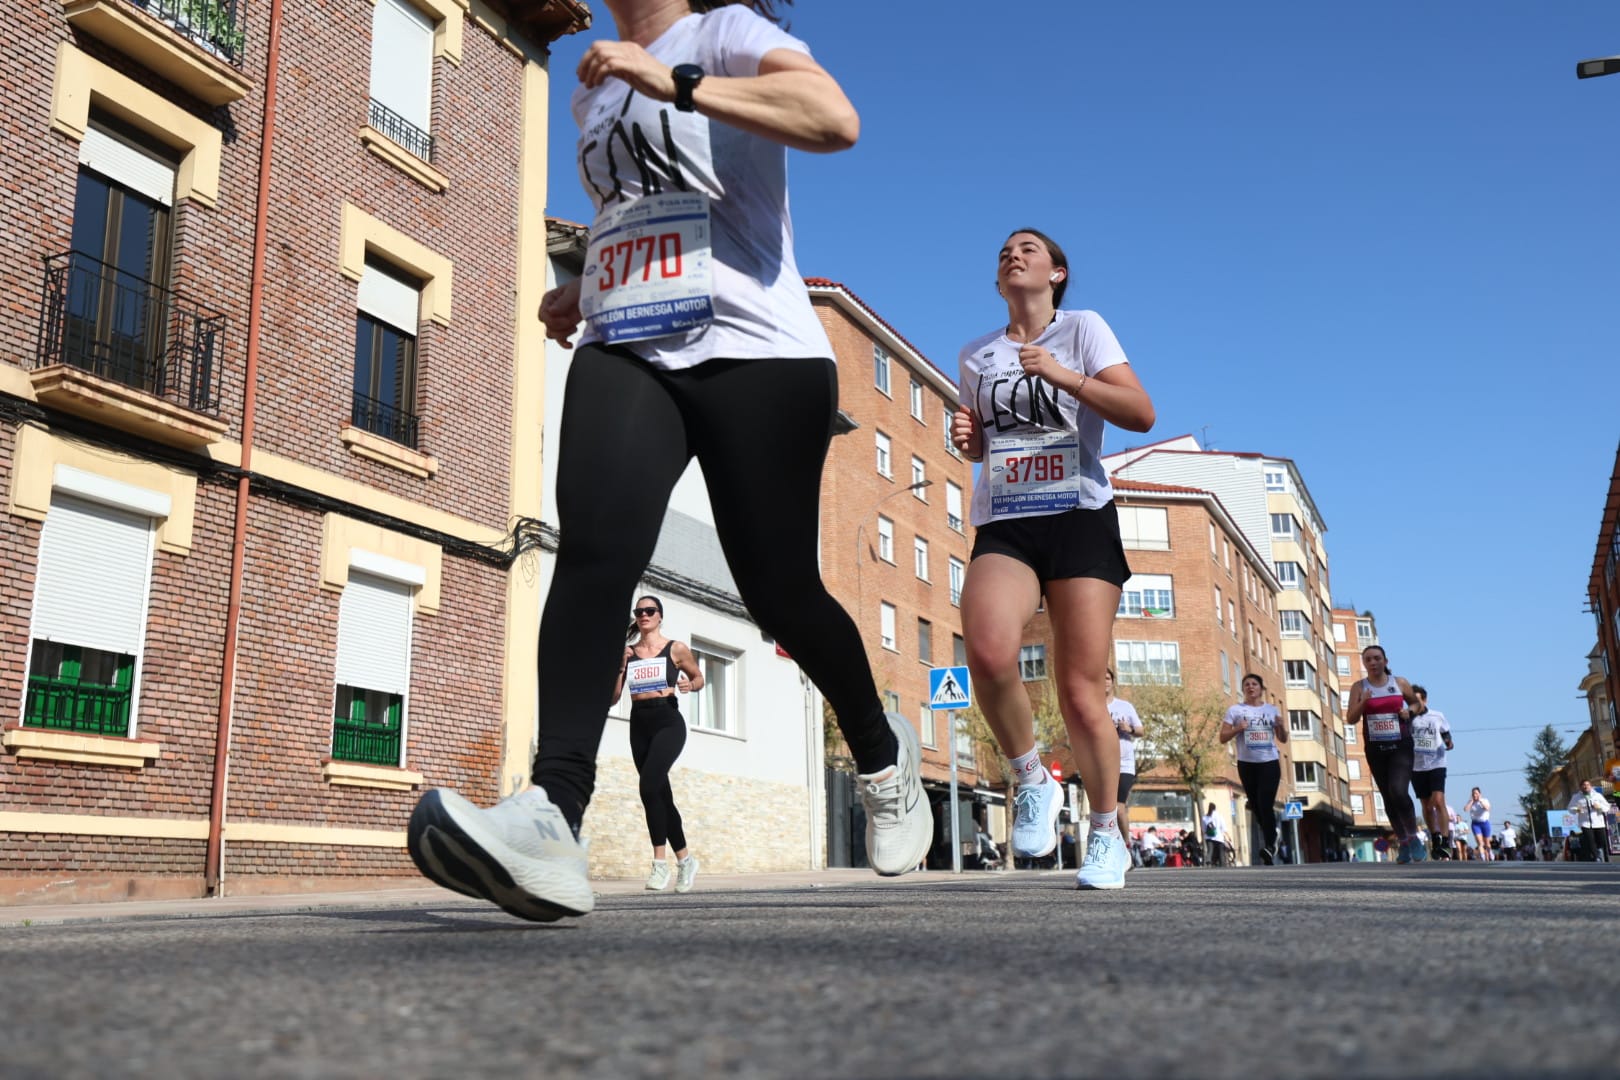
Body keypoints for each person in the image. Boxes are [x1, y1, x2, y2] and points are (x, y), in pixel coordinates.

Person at [406, 0, 934, 922]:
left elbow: (833, 121)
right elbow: (649, 209)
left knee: (778, 593)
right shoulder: (595, 85)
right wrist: (590, 281)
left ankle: (883, 762)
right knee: (595, 554)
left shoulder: (723, 33)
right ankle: (551, 819)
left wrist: (675, 79)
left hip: (760, 353)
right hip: (634, 342)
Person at [949, 228, 1155, 891]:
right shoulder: (976, 354)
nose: (1014, 254)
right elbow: (985, 445)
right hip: (1008, 519)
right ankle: (1030, 775)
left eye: (1030, 248)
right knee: (985, 650)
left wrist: (1063, 375)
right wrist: (969, 439)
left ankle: (1103, 832)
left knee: (1080, 690)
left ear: (1057, 273)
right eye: (1006, 250)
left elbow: (1140, 412)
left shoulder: (1084, 330)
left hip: (1079, 516)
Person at [611, 596, 705, 892]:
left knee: (649, 785)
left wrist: (691, 685)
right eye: (639, 612)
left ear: (660, 616)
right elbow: (613, 698)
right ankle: (686, 860)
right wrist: (619, 666)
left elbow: (699, 677)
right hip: (639, 724)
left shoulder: (675, 648)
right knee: (661, 796)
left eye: (649, 611)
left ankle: (659, 864)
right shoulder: (628, 652)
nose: (644, 615)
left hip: (668, 722)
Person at [1347, 645, 1424, 863]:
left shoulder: (1399, 683)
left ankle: (1414, 836)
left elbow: (1416, 703)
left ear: (1385, 661)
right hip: (1375, 749)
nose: (1373, 662)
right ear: (1364, 663)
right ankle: (1404, 843)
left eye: (1377, 658)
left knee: (1398, 790)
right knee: (1388, 797)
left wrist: (1409, 711)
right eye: (1369, 659)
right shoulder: (1358, 687)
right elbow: (1351, 718)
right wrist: (1363, 701)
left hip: (1400, 745)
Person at [1219, 673, 1287, 864]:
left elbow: (1283, 739)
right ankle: (1272, 834)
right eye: (1247, 684)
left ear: (1261, 689)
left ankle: (1270, 845)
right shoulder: (1235, 710)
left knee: (1265, 802)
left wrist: (1281, 727)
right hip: (1247, 764)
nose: (1250, 687)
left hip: (1269, 762)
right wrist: (1237, 729)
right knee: (1256, 805)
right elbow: (1223, 737)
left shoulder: (1271, 710)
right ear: (1243, 689)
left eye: (1254, 684)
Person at [1408, 685, 1453, 860]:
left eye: (1418, 701)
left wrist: (1449, 742)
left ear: (1425, 700)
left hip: (1437, 762)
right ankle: (1435, 837)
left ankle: (1446, 841)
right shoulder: (1407, 718)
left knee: (1439, 801)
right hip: (1417, 766)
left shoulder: (1437, 715)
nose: (1415, 704)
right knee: (1426, 805)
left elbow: (1446, 732)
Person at [1107, 669, 1144, 813]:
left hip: (1124, 764)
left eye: (1107, 678)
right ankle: (1110, 835)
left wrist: (1129, 729)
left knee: (1118, 806)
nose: (1104, 682)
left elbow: (1141, 731)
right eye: (1101, 679)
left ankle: (1125, 837)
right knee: (1105, 808)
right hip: (1102, 764)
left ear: (1113, 682)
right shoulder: (1094, 707)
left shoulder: (1125, 706)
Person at [1569, 780, 1613, 862]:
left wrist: (1599, 807)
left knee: (1601, 840)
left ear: (1591, 786)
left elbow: (1607, 807)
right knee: (1590, 840)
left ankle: (1599, 852)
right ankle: (1597, 857)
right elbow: (1570, 808)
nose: (1585, 787)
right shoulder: (1576, 797)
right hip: (1585, 823)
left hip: (1598, 823)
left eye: (1587, 785)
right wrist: (1577, 809)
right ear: (1580, 787)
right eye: (1583, 785)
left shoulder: (1597, 795)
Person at [1463, 787, 1493, 863]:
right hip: (1475, 824)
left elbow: (1488, 808)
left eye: (1476, 793)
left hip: (1485, 823)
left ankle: (1489, 852)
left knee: (1487, 843)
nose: (1474, 795)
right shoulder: (1471, 801)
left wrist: (1480, 801)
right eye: (1473, 793)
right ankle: (1482, 856)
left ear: (1479, 794)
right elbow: (1465, 809)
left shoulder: (1484, 800)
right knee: (1480, 842)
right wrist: (1471, 802)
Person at [1202, 802, 1229, 868]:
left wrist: (1205, 834)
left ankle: (1208, 860)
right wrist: (1228, 836)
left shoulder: (1205, 817)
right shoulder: (1219, 816)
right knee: (1221, 851)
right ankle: (1222, 864)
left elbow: (1204, 829)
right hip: (1219, 837)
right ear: (1215, 808)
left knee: (1210, 850)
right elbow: (1223, 828)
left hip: (1208, 837)